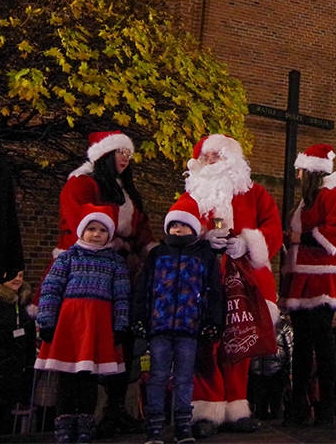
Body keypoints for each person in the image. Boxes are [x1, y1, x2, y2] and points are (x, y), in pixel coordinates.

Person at [42, 131, 154, 437]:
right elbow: (81, 221)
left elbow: (141, 228)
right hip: (87, 272)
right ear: (103, 154)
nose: (124, 159)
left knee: (122, 341)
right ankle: (76, 418)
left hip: (122, 271)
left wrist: (151, 252)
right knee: (83, 352)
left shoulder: (125, 189)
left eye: (128, 155)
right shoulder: (82, 183)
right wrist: (110, 239)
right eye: (119, 153)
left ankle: (114, 410)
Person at [177, 134, 284, 437]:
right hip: (203, 280)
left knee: (239, 343)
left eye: (216, 156)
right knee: (205, 346)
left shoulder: (256, 193)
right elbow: (177, 223)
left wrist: (247, 242)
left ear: (232, 159)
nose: (210, 161)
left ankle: (237, 406)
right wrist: (201, 238)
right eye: (206, 157)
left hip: (244, 281)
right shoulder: (193, 195)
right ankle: (206, 409)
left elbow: (272, 227)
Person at [35, 205, 131, 443]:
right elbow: (50, 289)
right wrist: (47, 321)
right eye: (91, 229)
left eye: (102, 230)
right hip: (70, 325)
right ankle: (64, 424)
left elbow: (121, 296)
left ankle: (86, 422)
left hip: (97, 326)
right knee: (67, 379)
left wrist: (120, 325)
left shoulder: (115, 263)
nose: (96, 234)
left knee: (89, 380)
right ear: (81, 231)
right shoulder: (67, 258)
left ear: (109, 235)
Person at [131, 201, 224, 444]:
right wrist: (139, 318)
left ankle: (183, 425)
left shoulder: (204, 256)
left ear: (193, 228)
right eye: (174, 225)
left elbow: (214, 292)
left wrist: (212, 322)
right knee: (157, 376)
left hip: (189, 327)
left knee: (184, 377)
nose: (178, 230)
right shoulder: (157, 254)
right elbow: (143, 288)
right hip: (159, 326)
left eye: (184, 225)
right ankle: (155, 427)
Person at [280, 143, 336, 428]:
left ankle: (326, 407)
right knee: (302, 343)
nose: (298, 174)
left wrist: (301, 239)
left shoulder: (334, 192)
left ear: (312, 171)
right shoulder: (307, 199)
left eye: (301, 169)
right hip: (301, 274)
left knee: (322, 340)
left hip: (323, 275)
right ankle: (299, 407)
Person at [0, 264, 36, 435]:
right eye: (13, 275)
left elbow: (30, 341)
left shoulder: (25, 306)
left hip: (14, 372)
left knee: (6, 421)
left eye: (20, 275)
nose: (17, 279)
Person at [248, 315, 295, 421]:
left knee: (277, 405)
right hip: (257, 372)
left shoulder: (283, 326)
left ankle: (279, 431)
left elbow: (291, 350)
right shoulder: (252, 324)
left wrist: (291, 371)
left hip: (277, 372)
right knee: (259, 407)